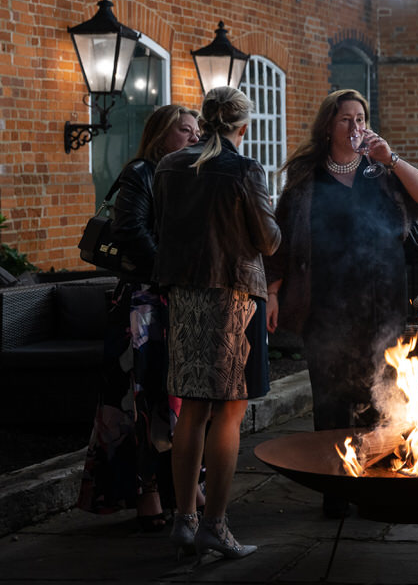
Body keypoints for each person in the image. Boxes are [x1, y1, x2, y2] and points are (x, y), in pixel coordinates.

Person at [266, 89, 418, 518]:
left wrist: (391, 158)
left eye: (361, 118)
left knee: (380, 397)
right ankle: (336, 490)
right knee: (331, 401)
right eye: (347, 119)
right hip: (324, 305)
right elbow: (282, 244)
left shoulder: (379, 172)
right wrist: (272, 293)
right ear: (329, 125)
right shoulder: (307, 178)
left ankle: (374, 487)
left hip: (382, 302)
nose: (356, 127)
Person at [154, 86, 281, 559]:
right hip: (232, 294)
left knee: (192, 406)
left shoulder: (169, 166)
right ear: (243, 126)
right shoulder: (243, 169)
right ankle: (216, 525)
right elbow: (267, 241)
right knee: (230, 408)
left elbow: (163, 224)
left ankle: (184, 521)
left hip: (184, 293)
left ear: (206, 119)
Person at [77, 105, 200, 530]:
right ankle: (147, 490)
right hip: (141, 303)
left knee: (175, 398)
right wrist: (168, 271)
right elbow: (130, 229)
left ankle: (182, 486)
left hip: (173, 299)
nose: (193, 137)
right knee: (138, 398)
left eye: (196, 130)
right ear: (162, 134)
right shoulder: (140, 173)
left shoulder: (183, 175)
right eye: (185, 130)